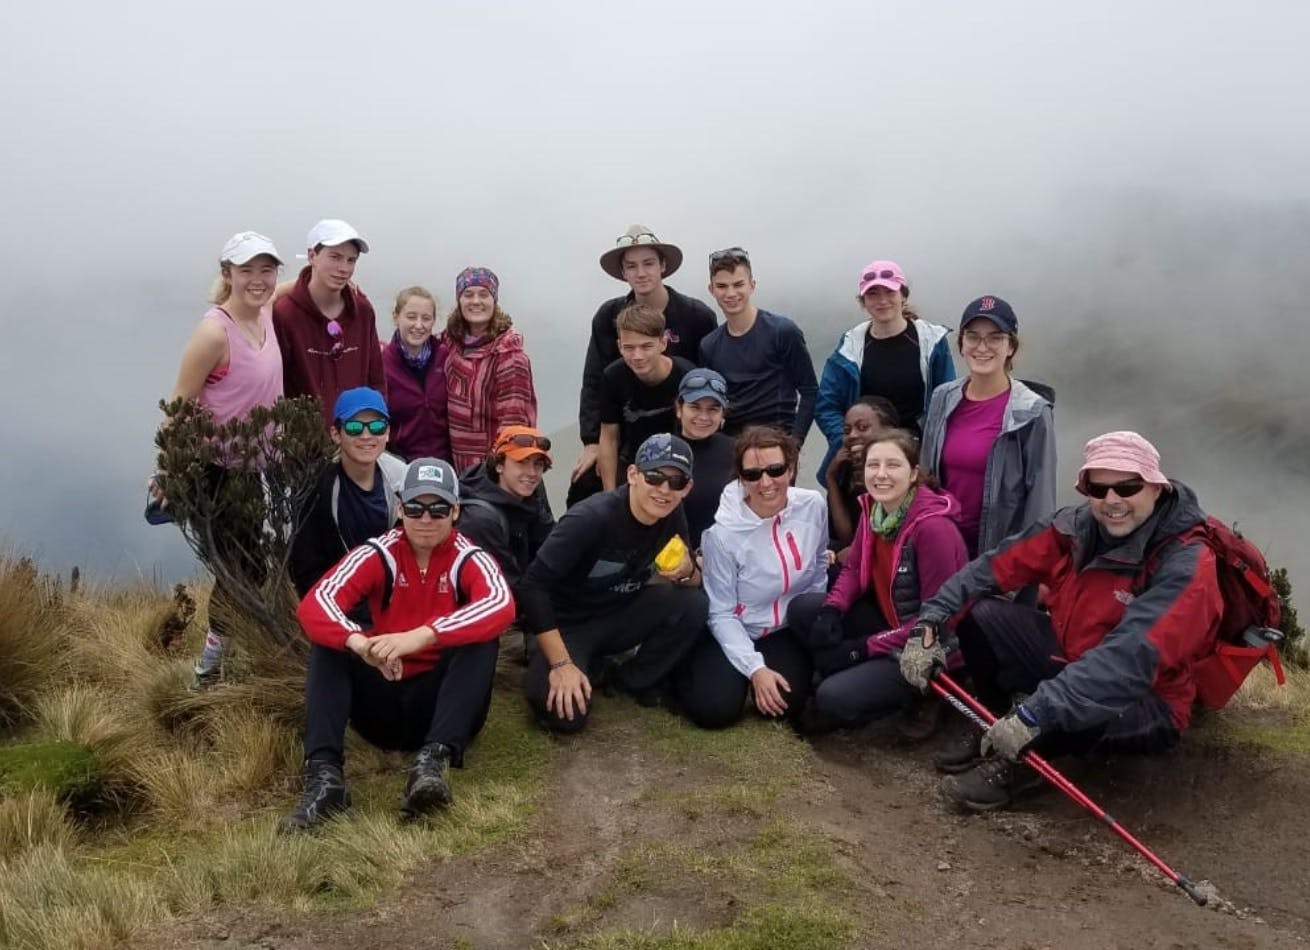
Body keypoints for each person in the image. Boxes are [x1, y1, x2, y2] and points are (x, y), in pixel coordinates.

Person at [899, 431, 1225, 812]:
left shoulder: (1187, 563)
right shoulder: (1075, 528)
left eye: (1128, 486)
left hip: (1146, 698)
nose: (1112, 501)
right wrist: (930, 623)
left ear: (1156, 486)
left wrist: (1040, 711)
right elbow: (988, 570)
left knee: (1078, 705)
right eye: (1098, 489)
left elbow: (1128, 660)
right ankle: (994, 722)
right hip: (1070, 658)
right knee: (981, 613)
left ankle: (1023, 762)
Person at [285, 458, 515, 830]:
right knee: (331, 644)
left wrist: (422, 636)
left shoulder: (469, 557)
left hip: (440, 708)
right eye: (415, 507)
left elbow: (501, 604)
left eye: (438, 508)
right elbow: (317, 602)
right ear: (399, 507)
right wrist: (361, 645)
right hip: (383, 705)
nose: (426, 518)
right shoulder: (379, 552)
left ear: (455, 510)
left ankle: (432, 763)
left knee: (482, 640)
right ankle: (325, 780)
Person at [159, 232, 285, 687]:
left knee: (249, 567)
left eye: (266, 270)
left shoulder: (267, 315)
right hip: (219, 472)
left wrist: (343, 284)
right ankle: (208, 671)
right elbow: (180, 405)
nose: (258, 279)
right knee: (242, 571)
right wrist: (168, 472)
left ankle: (225, 658)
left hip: (260, 467)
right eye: (246, 269)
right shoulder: (214, 332)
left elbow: (295, 290)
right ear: (226, 273)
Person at [520, 434, 708, 733]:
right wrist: (560, 664)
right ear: (633, 475)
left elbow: (693, 582)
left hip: (620, 612)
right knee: (565, 716)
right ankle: (576, 665)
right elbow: (532, 586)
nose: (664, 489)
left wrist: (687, 572)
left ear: (687, 488)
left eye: (676, 482)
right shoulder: (590, 518)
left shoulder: (672, 513)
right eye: (655, 476)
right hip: (568, 624)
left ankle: (628, 679)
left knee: (694, 604)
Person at [790, 431, 968, 730]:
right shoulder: (876, 511)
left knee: (833, 697)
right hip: (893, 623)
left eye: (893, 465)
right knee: (805, 608)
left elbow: (937, 622)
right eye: (873, 465)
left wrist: (860, 648)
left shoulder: (933, 530)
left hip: (930, 647)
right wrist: (831, 610)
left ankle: (922, 697)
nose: (881, 475)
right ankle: (843, 674)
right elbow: (853, 568)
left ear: (913, 474)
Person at [679, 427, 828, 729]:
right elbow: (720, 611)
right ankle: (683, 668)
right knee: (714, 711)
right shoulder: (722, 535)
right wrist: (755, 669)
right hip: (736, 625)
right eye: (752, 474)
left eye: (776, 470)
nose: (766, 482)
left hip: (783, 627)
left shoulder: (813, 505)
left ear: (792, 467)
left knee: (782, 704)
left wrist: (808, 629)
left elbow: (817, 570)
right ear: (740, 477)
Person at [569, 225, 717, 506]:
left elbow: (710, 377)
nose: (641, 273)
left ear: (663, 265)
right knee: (584, 484)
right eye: (631, 266)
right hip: (628, 429)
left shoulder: (696, 316)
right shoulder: (608, 316)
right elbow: (593, 380)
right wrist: (592, 443)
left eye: (649, 263)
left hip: (686, 427)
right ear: (623, 272)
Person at [921, 296, 1055, 559]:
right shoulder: (943, 398)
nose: (982, 347)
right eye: (973, 337)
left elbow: (1041, 498)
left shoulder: (1031, 411)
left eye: (995, 337)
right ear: (961, 344)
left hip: (999, 558)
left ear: (1011, 347)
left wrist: (1030, 562)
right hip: (942, 547)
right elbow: (926, 476)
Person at [814, 260, 954, 481]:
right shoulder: (850, 347)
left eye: (889, 291)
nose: (882, 301)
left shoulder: (931, 343)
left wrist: (930, 448)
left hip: (917, 457)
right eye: (873, 294)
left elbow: (946, 403)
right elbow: (826, 406)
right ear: (863, 302)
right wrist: (851, 440)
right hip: (864, 462)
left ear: (903, 295)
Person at [288, 387, 408, 601]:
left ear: (388, 433)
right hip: (336, 598)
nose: (366, 435)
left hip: (393, 598)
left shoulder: (402, 478)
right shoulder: (315, 487)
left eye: (377, 427)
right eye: (354, 427)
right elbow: (306, 566)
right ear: (336, 434)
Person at [697, 247, 818, 441]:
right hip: (732, 447)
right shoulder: (709, 345)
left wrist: (795, 443)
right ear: (711, 290)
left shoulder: (782, 331)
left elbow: (810, 391)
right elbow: (711, 401)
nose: (731, 293)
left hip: (777, 442)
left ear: (752, 285)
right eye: (722, 286)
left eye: (738, 284)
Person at [273, 219, 384, 426]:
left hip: (356, 438)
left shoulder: (363, 311)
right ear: (311, 256)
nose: (344, 268)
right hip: (303, 447)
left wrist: (375, 429)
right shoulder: (285, 315)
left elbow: (376, 379)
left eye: (351, 260)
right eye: (335, 257)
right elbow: (277, 387)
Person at [444, 267, 538, 472]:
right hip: (453, 465)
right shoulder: (451, 342)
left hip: (491, 470)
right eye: (468, 294)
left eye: (483, 294)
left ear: (494, 300)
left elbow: (513, 422)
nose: (476, 301)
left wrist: (497, 470)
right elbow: (416, 345)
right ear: (459, 301)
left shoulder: (509, 355)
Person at [597, 304, 694, 491]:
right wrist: (609, 495)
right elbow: (609, 438)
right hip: (634, 462)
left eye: (646, 346)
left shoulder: (686, 376)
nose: (637, 356)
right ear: (619, 346)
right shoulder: (613, 377)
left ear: (663, 343)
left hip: (678, 462)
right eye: (629, 348)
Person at [456, 425, 556, 593]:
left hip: (528, 586)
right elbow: (507, 587)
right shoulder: (479, 520)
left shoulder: (533, 491)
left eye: (538, 464)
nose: (532, 473)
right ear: (499, 465)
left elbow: (551, 545)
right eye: (522, 462)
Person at [825, 397, 899, 565]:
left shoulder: (895, 473)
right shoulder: (846, 468)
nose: (852, 435)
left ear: (888, 431)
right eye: (847, 430)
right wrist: (831, 478)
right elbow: (846, 537)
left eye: (863, 428)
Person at [381, 286, 451, 463]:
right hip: (401, 463)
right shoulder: (382, 364)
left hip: (445, 462)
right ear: (396, 318)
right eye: (411, 317)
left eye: (426, 318)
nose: (419, 325)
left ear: (434, 321)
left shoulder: (446, 358)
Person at [674, 369, 734, 549]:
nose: (703, 417)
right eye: (695, 407)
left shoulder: (739, 451)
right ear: (679, 409)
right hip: (671, 559)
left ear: (723, 414)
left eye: (713, 409)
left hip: (727, 554)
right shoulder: (660, 449)